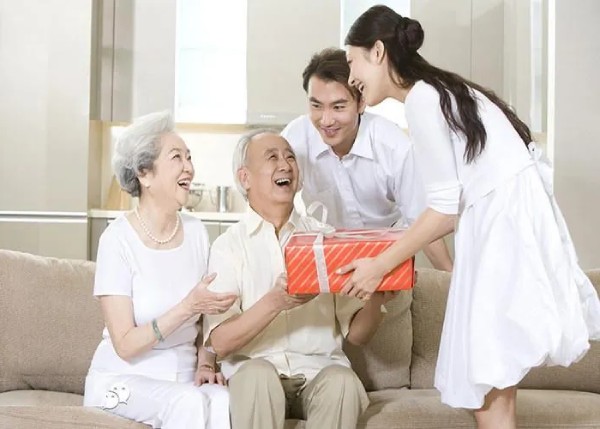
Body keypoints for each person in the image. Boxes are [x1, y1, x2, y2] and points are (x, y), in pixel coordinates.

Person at [339, 5, 600, 429]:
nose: (351, 77)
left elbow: (443, 210)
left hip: (501, 233)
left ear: (378, 52)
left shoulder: (422, 100)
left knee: (488, 387)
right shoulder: (443, 90)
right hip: (507, 229)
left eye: (353, 61)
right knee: (493, 389)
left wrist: (380, 264)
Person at [203, 129, 395, 429]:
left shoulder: (325, 239)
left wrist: (376, 297)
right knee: (257, 376)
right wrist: (275, 302)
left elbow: (357, 336)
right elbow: (221, 343)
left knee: (343, 382)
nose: (285, 165)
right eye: (272, 157)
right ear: (245, 178)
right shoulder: (228, 246)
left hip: (319, 372)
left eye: (290, 157)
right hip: (254, 374)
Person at [83, 111, 238, 429]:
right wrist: (187, 307)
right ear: (144, 174)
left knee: (222, 400)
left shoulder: (196, 232)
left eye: (189, 157)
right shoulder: (117, 239)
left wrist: (206, 363)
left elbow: (205, 321)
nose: (189, 167)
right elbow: (125, 345)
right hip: (120, 382)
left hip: (181, 378)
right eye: (176, 157)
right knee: (187, 401)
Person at [282, 48, 453, 271]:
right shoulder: (294, 139)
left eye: (338, 107)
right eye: (316, 106)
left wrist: (450, 277)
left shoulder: (393, 146)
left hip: (388, 255)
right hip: (326, 255)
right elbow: (270, 200)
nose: (326, 120)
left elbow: (420, 218)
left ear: (361, 103)